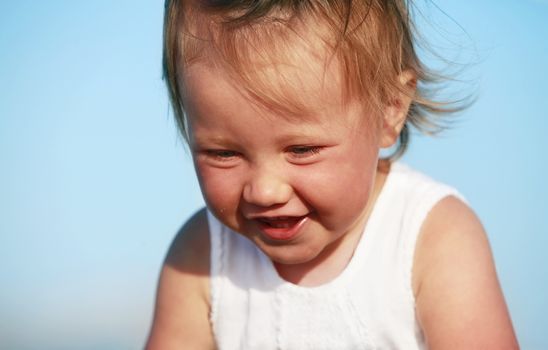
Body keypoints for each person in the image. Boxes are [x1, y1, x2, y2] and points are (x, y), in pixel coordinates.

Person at [146, 1, 519, 349]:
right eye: (223, 153)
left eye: (302, 150)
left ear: (389, 109)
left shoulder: (430, 238)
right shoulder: (202, 254)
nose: (264, 191)